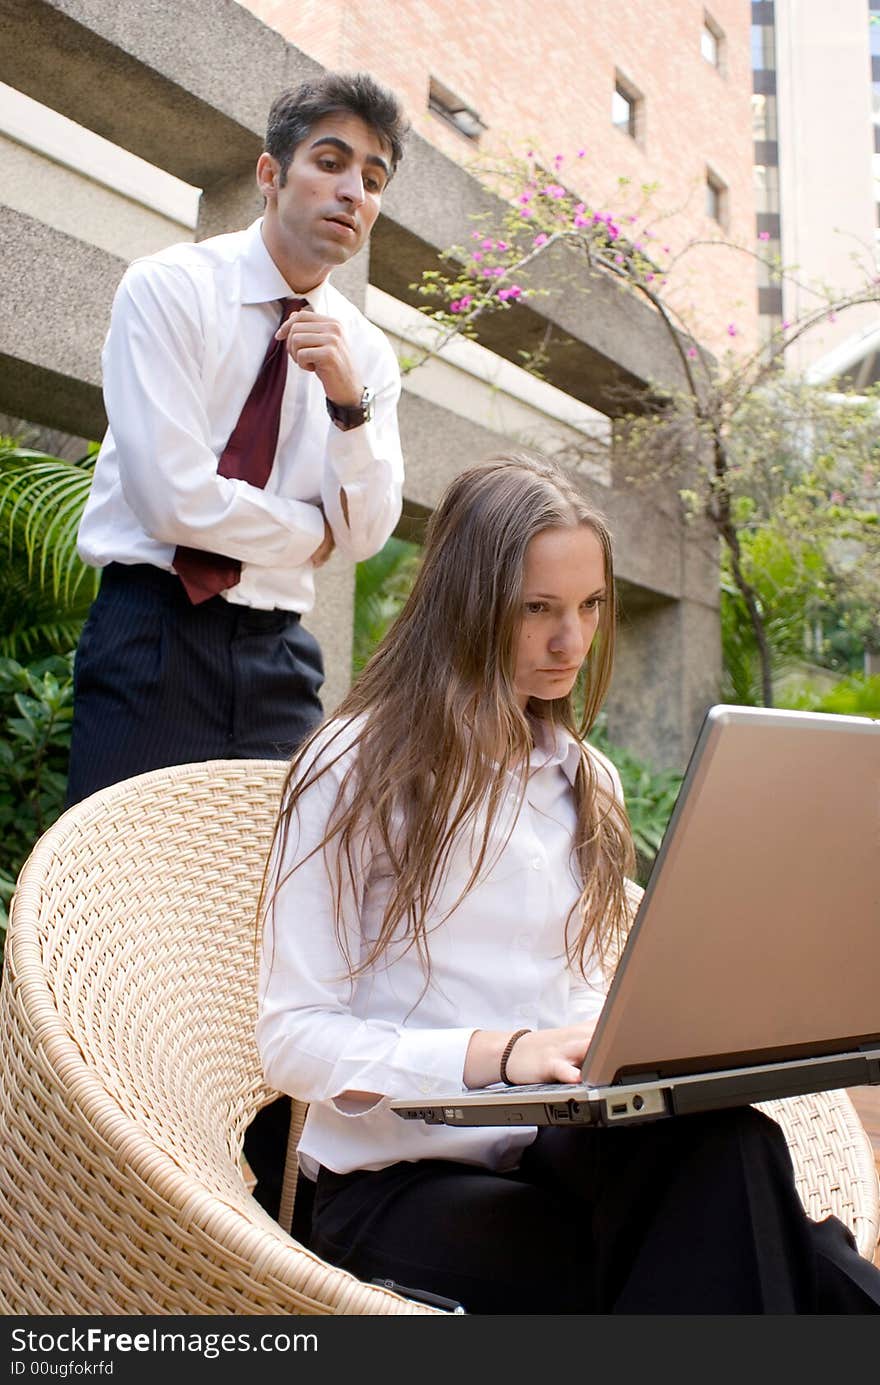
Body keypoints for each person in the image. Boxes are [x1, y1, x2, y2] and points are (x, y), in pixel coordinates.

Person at [256, 452, 880, 1314]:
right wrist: (500, 1053)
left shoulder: (586, 780)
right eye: (537, 610)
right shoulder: (353, 768)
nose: (572, 643)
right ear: (465, 608)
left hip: (560, 1153)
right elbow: (293, 1039)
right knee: (749, 1248)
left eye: (590, 607)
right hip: (401, 1183)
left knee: (728, 1144)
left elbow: (584, 997)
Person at [67, 71, 410, 1224]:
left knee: (277, 940)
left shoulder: (364, 349)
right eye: (328, 161)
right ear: (271, 172)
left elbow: (366, 532)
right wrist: (309, 526)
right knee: (120, 924)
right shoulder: (172, 287)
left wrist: (348, 405)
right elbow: (171, 496)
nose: (349, 192)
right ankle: (98, 1205)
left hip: (277, 662)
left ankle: (252, 1218)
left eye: (372, 178)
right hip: (152, 631)